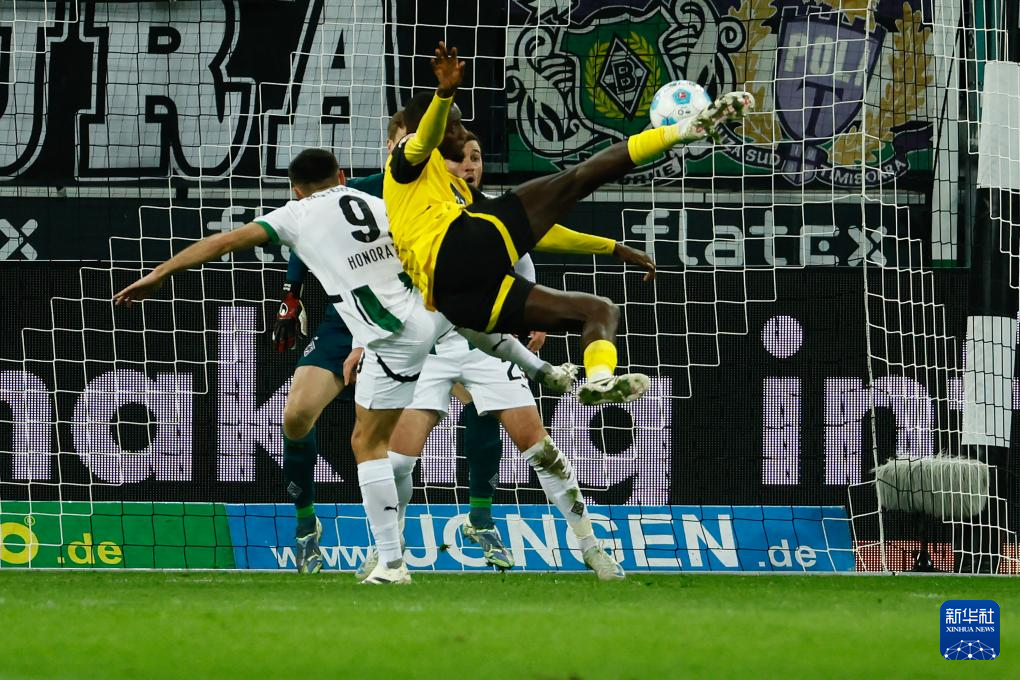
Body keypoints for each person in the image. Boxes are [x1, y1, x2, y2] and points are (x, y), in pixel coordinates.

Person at [113, 149, 574, 585]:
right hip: (413, 310)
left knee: (368, 443)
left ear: (295, 190)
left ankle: (392, 560)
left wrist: (158, 275)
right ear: (340, 176)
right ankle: (538, 370)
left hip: (388, 332)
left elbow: (224, 241)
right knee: (306, 412)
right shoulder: (378, 198)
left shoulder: (305, 211)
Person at [383, 42, 753, 406]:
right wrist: (444, 93)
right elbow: (424, 138)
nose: (463, 134)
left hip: (462, 299)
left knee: (600, 310)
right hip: (455, 251)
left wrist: (611, 247)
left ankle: (600, 380)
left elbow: (536, 232)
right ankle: (683, 131)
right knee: (578, 178)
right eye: (456, 127)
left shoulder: (456, 191)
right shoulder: (406, 160)